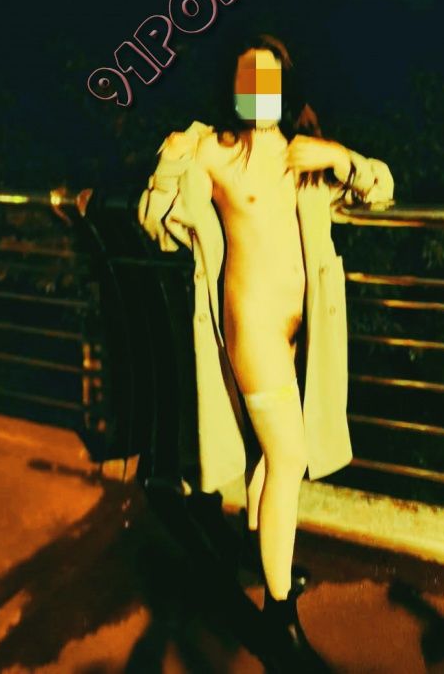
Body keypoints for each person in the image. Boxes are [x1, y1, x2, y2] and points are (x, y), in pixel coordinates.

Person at [138, 34, 394, 664]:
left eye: (270, 78)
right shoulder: (214, 153)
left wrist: (340, 157)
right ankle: (279, 617)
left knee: (270, 459)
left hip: (304, 326)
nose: (259, 89)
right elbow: (155, 221)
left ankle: (265, 558)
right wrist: (171, 158)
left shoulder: (305, 152)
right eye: (248, 77)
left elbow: (382, 191)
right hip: (250, 325)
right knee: (287, 455)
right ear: (231, 87)